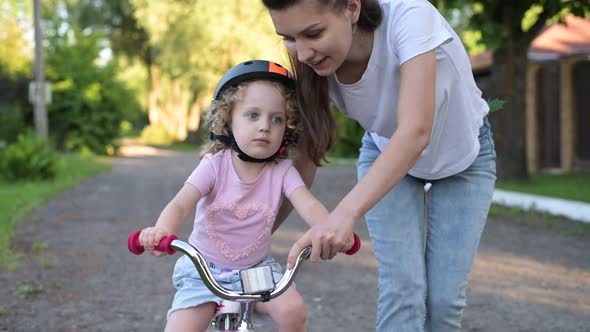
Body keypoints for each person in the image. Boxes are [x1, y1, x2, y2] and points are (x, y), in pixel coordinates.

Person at [260, 0, 497, 331]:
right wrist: (254, 237)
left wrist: (344, 215)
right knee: (403, 292)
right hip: (385, 153)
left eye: (313, 33)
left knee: (442, 303)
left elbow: (416, 131)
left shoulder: (410, 17)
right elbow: (302, 163)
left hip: (464, 161)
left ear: (352, 8)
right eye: (288, 38)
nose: (303, 54)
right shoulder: (314, 66)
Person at [137, 60, 342, 332]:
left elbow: (308, 203)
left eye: (277, 119)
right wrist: (162, 232)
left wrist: (330, 229)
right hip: (204, 271)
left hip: (254, 270)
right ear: (228, 120)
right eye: (253, 115)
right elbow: (181, 203)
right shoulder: (214, 165)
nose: (265, 126)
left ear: (287, 129)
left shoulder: (282, 171)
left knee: (294, 312)